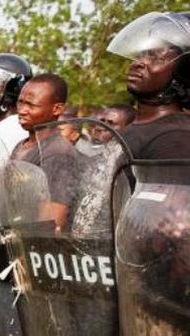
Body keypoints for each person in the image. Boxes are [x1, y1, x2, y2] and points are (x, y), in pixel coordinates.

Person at [107, 11, 190, 335]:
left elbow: (171, 230)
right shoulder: (133, 129)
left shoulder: (175, 137)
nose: (139, 62)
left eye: (155, 56)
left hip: (144, 294)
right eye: (141, 54)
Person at [12, 73, 79, 232]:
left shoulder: (58, 153)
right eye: (20, 103)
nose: (22, 110)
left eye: (31, 105)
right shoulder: (22, 145)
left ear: (57, 109)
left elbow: (51, 220)